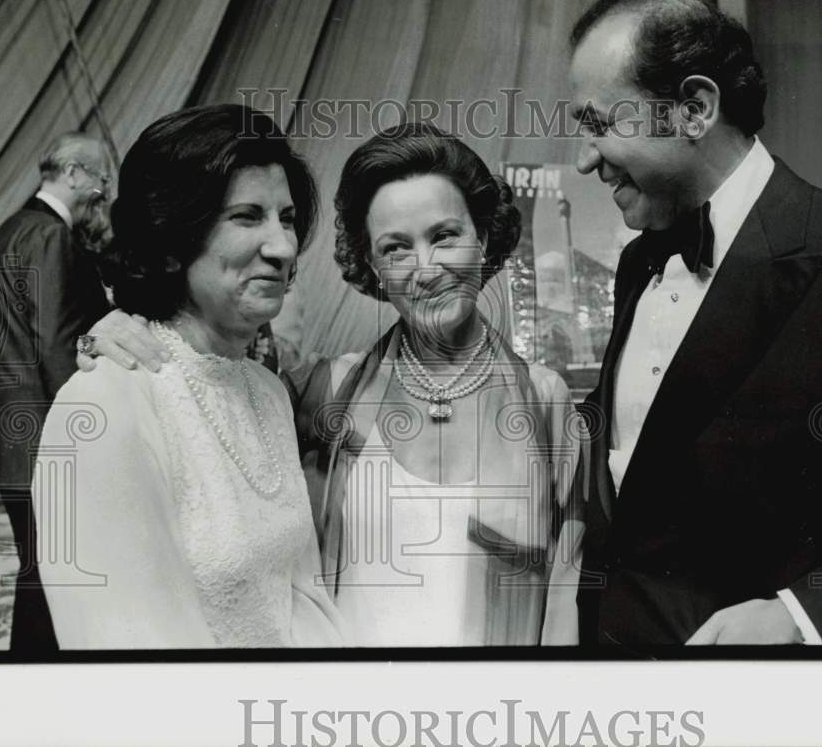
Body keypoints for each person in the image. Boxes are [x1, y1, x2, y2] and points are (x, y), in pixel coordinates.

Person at [78, 123, 586, 647]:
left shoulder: (546, 404)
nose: (426, 268)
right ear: (371, 266)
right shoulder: (320, 391)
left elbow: (567, 595)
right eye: (396, 248)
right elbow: (209, 388)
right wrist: (108, 331)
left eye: (444, 236)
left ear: (483, 237)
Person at [569, 0, 822, 647]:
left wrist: (802, 618)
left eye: (600, 125)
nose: (585, 157)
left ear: (694, 109)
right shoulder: (636, 264)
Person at [34, 104, 345, 648]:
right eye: (247, 217)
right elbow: (129, 667)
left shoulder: (268, 392)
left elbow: (302, 601)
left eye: (288, 218)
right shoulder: (105, 405)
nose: (284, 247)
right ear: (173, 240)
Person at [0, 131, 112, 653]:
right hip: (47, 444)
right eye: (101, 179)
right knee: (54, 583)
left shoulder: (4, 232)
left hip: (11, 440)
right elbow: (58, 343)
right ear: (74, 174)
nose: (102, 192)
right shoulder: (53, 236)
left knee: (37, 579)